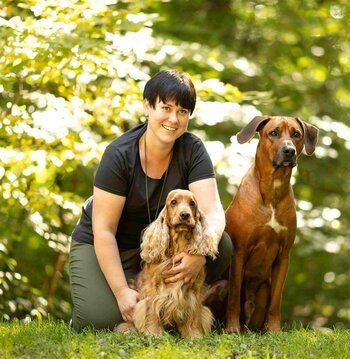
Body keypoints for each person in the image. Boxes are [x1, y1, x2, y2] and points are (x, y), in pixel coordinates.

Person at [69, 70, 233, 331]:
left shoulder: (192, 149)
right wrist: (122, 291)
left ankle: (174, 308)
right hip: (112, 244)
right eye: (165, 108)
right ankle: (127, 299)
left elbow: (213, 213)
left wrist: (199, 256)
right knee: (99, 320)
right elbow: (104, 231)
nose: (173, 119)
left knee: (221, 244)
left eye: (182, 112)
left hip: (163, 246)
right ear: (147, 106)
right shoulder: (118, 155)